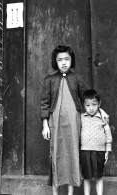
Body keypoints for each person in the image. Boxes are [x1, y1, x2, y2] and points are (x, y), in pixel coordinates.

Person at [41, 45, 108, 195]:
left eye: (66, 59)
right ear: (55, 62)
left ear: (71, 60)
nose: (63, 63)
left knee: (73, 153)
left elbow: (88, 99)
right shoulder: (50, 80)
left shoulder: (77, 78)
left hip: (74, 124)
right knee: (56, 154)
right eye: (60, 60)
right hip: (55, 124)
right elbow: (45, 103)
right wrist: (45, 125)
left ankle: (70, 193)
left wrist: (101, 110)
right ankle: (55, 192)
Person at [80, 90, 112, 195]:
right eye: (88, 105)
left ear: (99, 104)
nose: (91, 108)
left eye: (94, 104)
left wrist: (107, 150)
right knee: (86, 177)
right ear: (83, 105)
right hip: (85, 151)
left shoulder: (103, 118)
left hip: (100, 151)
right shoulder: (81, 118)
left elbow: (108, 134)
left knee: (99, 176)